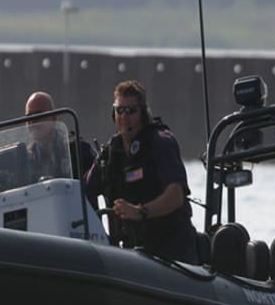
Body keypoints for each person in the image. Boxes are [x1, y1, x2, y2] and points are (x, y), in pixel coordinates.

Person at [85, 80, 198, 264]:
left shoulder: (160, 143)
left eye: (131, 111)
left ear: (143, 114)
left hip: (172, 251)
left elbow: (175, 195)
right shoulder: (111, 153)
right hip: (131, 254)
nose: (124, 117)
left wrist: (140, 211)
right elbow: (86, 190)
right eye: (119, 110)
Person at [23, 91, 96, 183]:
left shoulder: (77, 150)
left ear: (54, 118)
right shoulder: (25, 159)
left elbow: (96, 181)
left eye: (38, 116)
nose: (33, 122)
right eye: (28, 118)